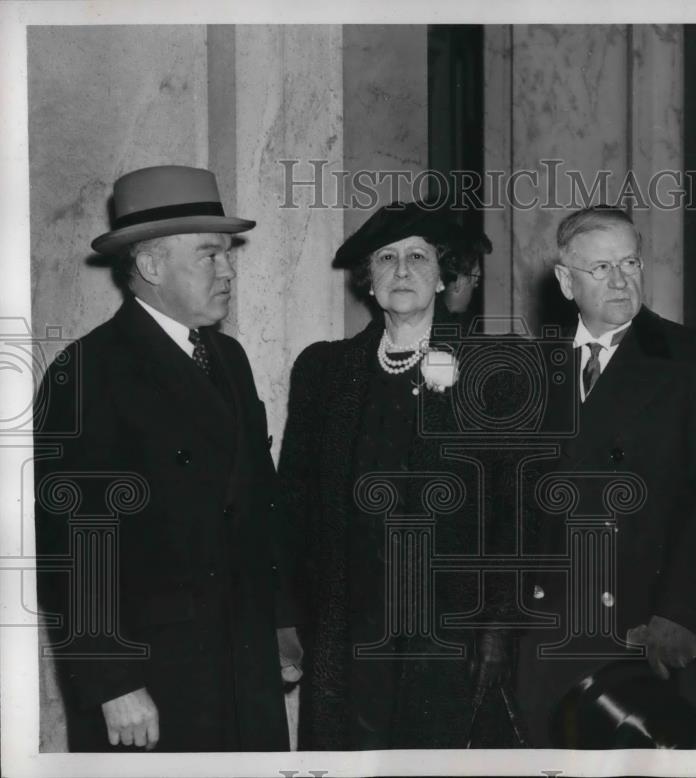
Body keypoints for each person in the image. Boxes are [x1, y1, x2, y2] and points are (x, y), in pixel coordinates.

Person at [33, 165, 301, 752]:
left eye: (227, 254)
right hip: (153, 677)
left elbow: (260, 502)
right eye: (210, 255)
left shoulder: (229, 358)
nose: (229, 270)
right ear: (151, 266)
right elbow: (75, 545)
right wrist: (112, 682)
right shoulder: (89, 371)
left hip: (243, 659)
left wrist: (281, 621)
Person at [279, 201, 518, 749]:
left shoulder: (494, 368)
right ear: (369, 279)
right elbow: (292, 501)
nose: (402, 270)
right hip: (347, 619)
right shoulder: (324, 369)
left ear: (443, 276)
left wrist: (499, 625)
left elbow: (516, 512)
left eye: (418, 257)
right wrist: (286, 617)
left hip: (450, 625)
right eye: (386, 258)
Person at [514, 206, 696, 748]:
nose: (621, 280)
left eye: (630, 263)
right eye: (601, 268)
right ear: (565, 281)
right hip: (550, 624)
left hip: (647, 627)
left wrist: (680, 614)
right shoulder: (532, 369)